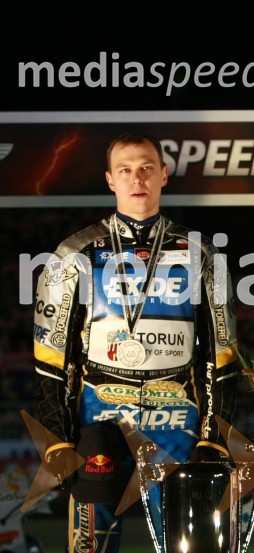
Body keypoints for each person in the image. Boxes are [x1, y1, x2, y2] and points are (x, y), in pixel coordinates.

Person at [33, 132, 239, 551]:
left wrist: (213, 435)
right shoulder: (73, 253)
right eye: (125, 170)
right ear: (111, 180)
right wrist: (56, 437)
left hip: (177, 420)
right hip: (97, 418)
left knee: (187, 542)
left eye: (146, 168)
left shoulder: (202, 255)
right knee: (93, 542)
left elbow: (223, 355)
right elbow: (49, 358)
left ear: (163, 174)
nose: (137, 178)